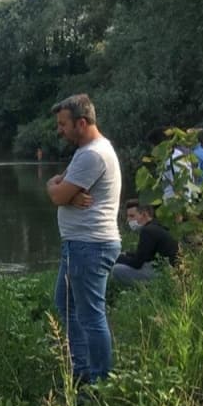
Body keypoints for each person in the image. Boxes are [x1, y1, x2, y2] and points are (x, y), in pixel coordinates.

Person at [45, 93, 122, 384]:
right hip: (81, 245)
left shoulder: (92, 154)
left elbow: (57, 193)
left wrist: (60, 190)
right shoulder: (86, 150)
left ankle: (99, 383)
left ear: (81, 122)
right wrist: (58, 188)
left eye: (63, 124)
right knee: (67, 305)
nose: (59, 129)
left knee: (90, 316)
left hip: (90, 245)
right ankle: (82, 372)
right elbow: (58, 186)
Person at [112, 199, 179, 285]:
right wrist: (128, 254)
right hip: (172, 271)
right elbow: (146, 256)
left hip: (165, 274)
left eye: (132, 216)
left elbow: (137, 263)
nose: (128, 220)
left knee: (117, 269)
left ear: (144, 215)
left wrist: (116, 258)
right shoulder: (157, 226)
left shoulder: (147, 231)